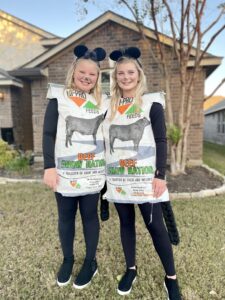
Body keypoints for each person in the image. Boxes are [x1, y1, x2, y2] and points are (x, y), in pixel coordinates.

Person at [103, 47, 181, 299]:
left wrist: (160, 174)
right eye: (120, 73)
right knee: (126, 224)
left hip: (146, 178)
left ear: (139, 74)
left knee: (155, 226)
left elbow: (160, 140)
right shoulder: (109, 105)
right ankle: (131, 269)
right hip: (118, 177)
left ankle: (171, 277)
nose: (125, 77)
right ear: (115, 77)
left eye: (130, 72)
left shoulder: (152, 103)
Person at [42, 45, 108, 289]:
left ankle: (90, 261)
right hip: (65, 172)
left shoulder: (103, 102)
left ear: (98, 77)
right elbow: (48, 133)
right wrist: (49, 166)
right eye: (83, 72)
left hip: (92, 172)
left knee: (90, 217)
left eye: (92, 74)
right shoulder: (59, 97)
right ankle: (68, 259)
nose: (87, 77)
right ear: (74, 71)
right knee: (66, 217)